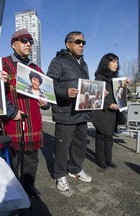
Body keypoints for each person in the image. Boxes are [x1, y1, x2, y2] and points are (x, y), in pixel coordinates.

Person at [2, 28, 50, 197]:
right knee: (12, 160)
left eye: (30, 42)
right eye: (24, 41)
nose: (29, 44)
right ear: (14, 44)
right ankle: (12, 190)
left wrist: (45, 104)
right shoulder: (3, 64)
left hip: (33, 122)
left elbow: (45, 95)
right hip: (12, 122)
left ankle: (29, 186)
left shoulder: (35, 68)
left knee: (31, 158)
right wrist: (10, 112)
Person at [47, 31, 92, 192]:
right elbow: (49, 85)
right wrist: (65, 92)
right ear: (68, 44)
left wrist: (97, 94)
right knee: (62, 147)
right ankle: (59, 174)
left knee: (79, 145)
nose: (82, 45)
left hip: (82, 112)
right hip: (65, 113)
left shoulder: (84, 64)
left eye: (83, 43)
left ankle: (75, 169)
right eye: (78, 42)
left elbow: (86, 86)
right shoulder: (58, 61)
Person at [91, 53, 122, 169]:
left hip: (113, 113)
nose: (116, 64)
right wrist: (108, 105)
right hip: (102, 112)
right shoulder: (99, 77)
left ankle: (108, 159)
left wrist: (124, 87)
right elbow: (94, 97)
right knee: (101, 136)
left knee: (110, 137)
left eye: (117, 62)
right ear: (106, 63)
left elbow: (119, 95)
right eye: (113, 61)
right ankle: (100, 160)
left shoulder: (115, 79)